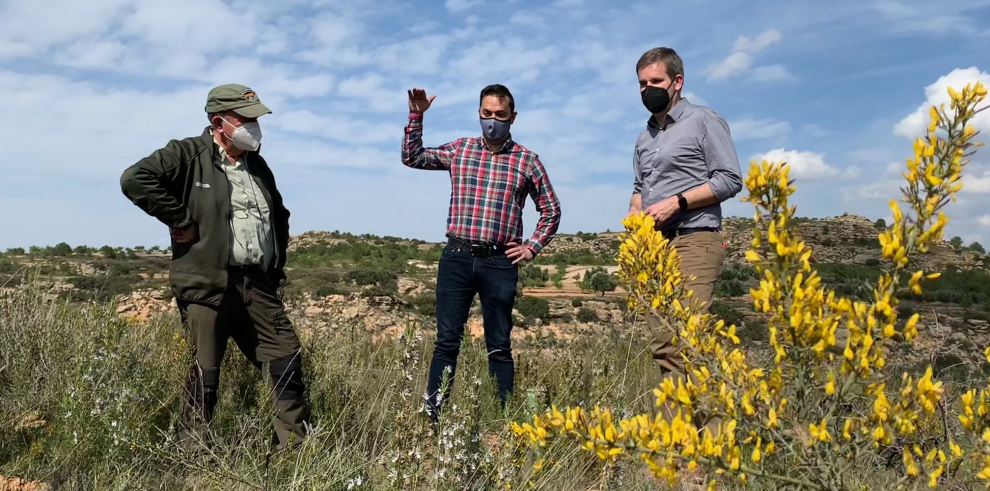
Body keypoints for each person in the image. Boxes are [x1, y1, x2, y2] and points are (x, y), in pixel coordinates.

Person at [119, 84, 311, 450]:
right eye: (246, 118)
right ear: (218, 121)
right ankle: (193, 456)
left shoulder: (257, 165)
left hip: (257, 284)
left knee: (285, 359)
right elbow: (134, 178)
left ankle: (295, 453)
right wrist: (179, 219)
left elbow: (278, 215)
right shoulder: (188, 154)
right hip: (206, 284)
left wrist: (276, 266)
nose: (254, 125)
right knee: (204, 371)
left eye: (256, 118)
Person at [401, 84, 562, 422]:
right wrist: (416, 116)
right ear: (478, 113)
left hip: (500, 263)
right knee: (446, 342)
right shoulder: (461, 149)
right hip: (457, 257)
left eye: (500, 115)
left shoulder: (527, 161)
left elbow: (550, 210)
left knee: (499, 346)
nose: (492, 121)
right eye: (486, 114)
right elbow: (413, 157)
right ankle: (433, 418)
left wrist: (531, 247)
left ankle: (502, 420)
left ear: (512, 117)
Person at [626, 46, 743, 395]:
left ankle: (712, 433)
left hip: (695, 237)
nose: (649, 89)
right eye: (642, 83)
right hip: (654, 246)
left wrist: (676, 203)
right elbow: (639, 186)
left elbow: (729, 179)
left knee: (689, 338)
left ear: (677, 81)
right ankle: (677, 436)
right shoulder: (644, 137)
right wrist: (635, 211)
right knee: (663, 343)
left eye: (656, 80)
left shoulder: (704, 121)